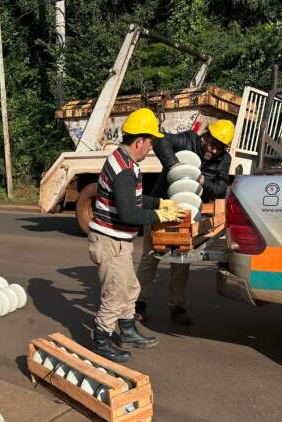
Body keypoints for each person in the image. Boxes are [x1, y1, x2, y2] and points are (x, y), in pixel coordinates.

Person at [88, 108, 186, 363]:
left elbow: (137, 199)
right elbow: (129, 214)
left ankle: (128, 331)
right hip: (111, 241)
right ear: (139, 141)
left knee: (130, 288)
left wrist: (161, 203)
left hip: (118, 240)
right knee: (116, 293)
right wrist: (160, 216)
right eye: (150, 142)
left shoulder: (124, 161)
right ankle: (101, 338)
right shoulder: (123, 170)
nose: (151, 147)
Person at [135, 119, 235, 325]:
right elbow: (161, 140)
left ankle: (177, 306)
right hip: (161, 206)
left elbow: (220, 188)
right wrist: (174, 166)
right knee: (150, 258)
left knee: (181, 263)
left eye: (220, 147)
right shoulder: (187, 140)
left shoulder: (223, 159)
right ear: (205, 136)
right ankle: (138, 304)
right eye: (213, 144)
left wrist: (203, 181)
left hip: (188, 213)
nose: (215, 150)